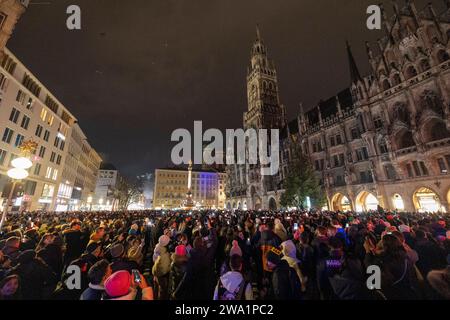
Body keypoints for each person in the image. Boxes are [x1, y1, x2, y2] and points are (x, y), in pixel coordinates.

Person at [152, 235, 172, 300]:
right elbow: (165, 268)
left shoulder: (158, 247)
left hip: (155, 270)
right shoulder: (164, 254)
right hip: (161, 274)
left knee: (156, 287)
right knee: (162, 290)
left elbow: (154, 259)